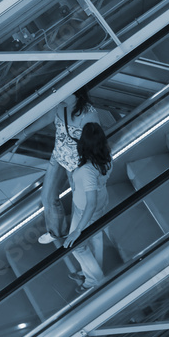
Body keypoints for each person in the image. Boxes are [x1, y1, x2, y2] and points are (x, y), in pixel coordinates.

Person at [38, 87, 97, 243]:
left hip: (78, 164)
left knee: (79, 202)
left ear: (77, 93)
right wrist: (23, 134)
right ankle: (58, 232)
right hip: (58, 156)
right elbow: (47, 118)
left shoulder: (88, 114)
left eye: (65, 92)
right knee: (47, 196)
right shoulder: (60, 105)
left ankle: (81, 231)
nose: (60, 95)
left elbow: (95, 143)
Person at [63, 122, 112, 290]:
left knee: (77, 246)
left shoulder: (87, 170)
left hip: (87, 209)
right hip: (99, 203)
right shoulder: (106, 157)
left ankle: (95, 280)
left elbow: (90, 203)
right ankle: (88, 271)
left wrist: (77, 231)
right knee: (95, 238)